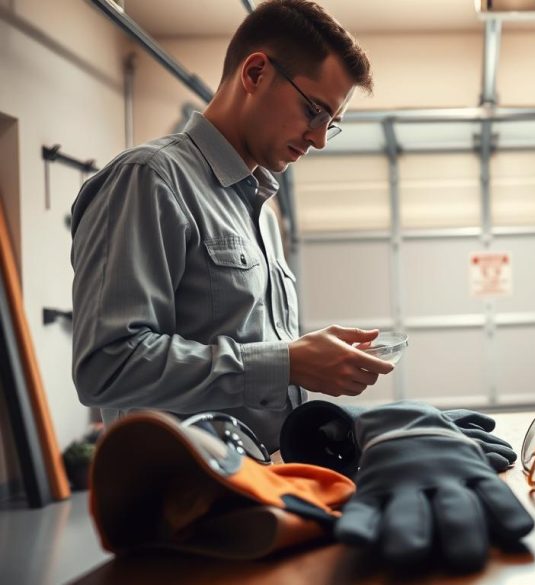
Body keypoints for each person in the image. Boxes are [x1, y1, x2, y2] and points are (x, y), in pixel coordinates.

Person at [70, 0, 392, 451]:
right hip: (183, 502)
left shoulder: (261, 211)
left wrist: (305, 357)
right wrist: (285, 363)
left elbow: (240, 347)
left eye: (331, 124)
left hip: (263, 485)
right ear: (255, 73)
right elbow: (107, 367)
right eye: (315, 112)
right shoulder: (150, 180)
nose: (319, 138)